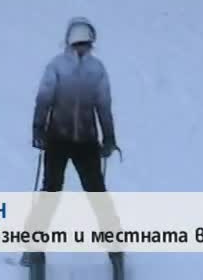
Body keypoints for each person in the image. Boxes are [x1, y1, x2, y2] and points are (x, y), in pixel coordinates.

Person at [27, 17, 123, 274]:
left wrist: (109, 137)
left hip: (87, 142)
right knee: (50, 192)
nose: (82, 49)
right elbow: (44, 99)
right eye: (78, 44)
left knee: (97, 194)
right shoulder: (57, 67)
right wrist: (38, 128)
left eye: (86, 44)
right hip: (58, 139)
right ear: (69, 43)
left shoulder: (97, 69)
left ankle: (116, 250)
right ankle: (34, 248)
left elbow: (103, 106)